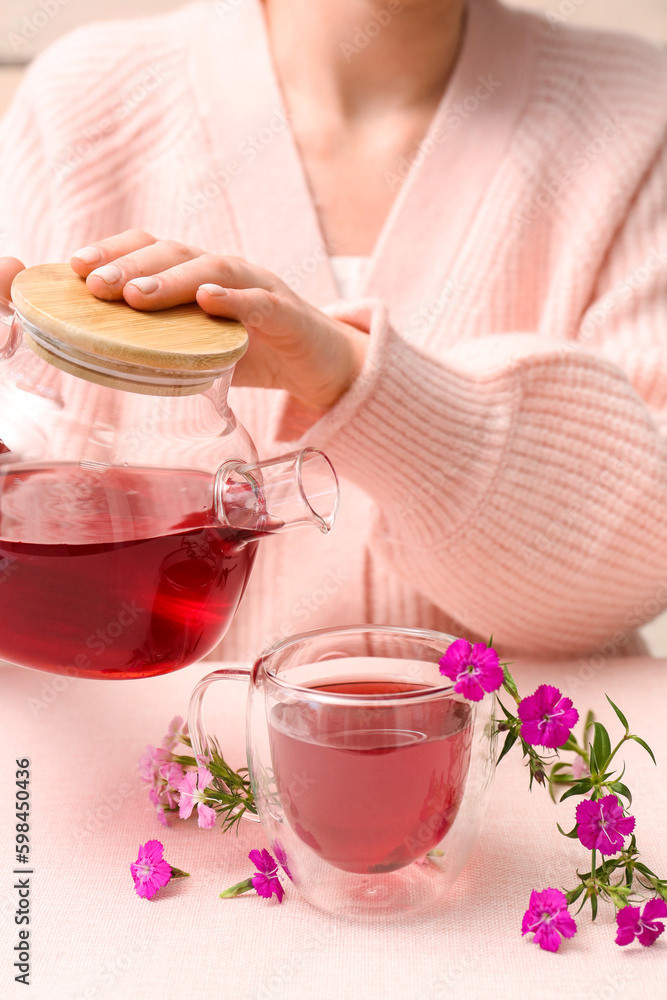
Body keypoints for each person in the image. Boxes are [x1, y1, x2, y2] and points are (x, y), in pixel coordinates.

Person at [0, 0, 666, 663]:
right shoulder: (82, 99)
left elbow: (638, 561)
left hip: (519, 767)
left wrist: (360, 383)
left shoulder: (637, 110)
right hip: (153, 763)